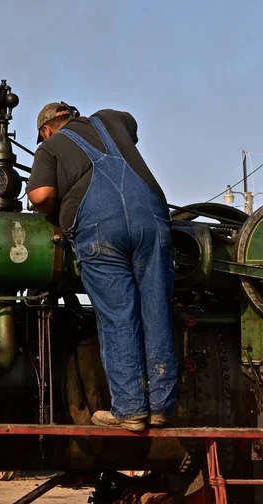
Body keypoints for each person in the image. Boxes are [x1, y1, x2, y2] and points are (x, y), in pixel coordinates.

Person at [27, 103, 177, 431]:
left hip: (100, 229)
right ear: (74, 117)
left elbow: (40, 196)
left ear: (46, 130)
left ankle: (130, 410)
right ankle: (162, 408)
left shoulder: (50, 147)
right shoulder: (110, 119)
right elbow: (132, 127)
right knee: (156, 312)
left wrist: (57, 209)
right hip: (151, 220)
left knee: (118, 317)